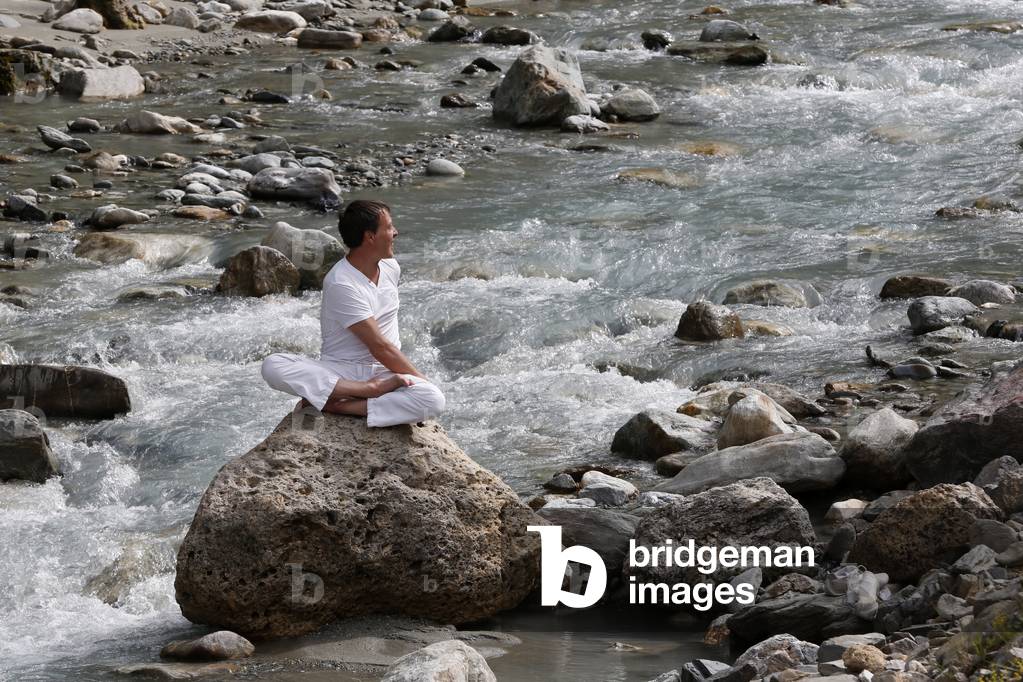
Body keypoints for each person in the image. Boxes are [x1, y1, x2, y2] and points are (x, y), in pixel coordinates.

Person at [260, 200, 445, 427]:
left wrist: (421, 386)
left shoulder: (390, 267)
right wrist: (418, 380)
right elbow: (379, 347)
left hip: (384, 370)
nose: (395, 232)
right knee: (273, 365)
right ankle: (367, 391)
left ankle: (338, 405)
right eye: (389, 227)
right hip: (342, 370)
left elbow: (385, 352)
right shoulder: (341, 283)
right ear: (370, 237)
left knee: (432, 400)